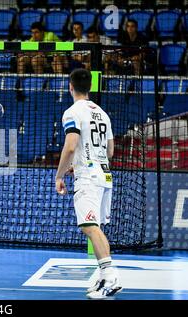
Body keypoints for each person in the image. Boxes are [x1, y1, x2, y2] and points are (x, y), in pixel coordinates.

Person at [55, 69, 122, 299]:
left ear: (70, 87)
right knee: (95, 228)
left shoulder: (72, 112)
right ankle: (103, 277)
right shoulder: (102, 113)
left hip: (88, 178)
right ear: (90, 87)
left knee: (88, 227)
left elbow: (71, 146)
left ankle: (110, 276)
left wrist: (59, 175)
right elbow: (110, 151)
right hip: (104, 175)